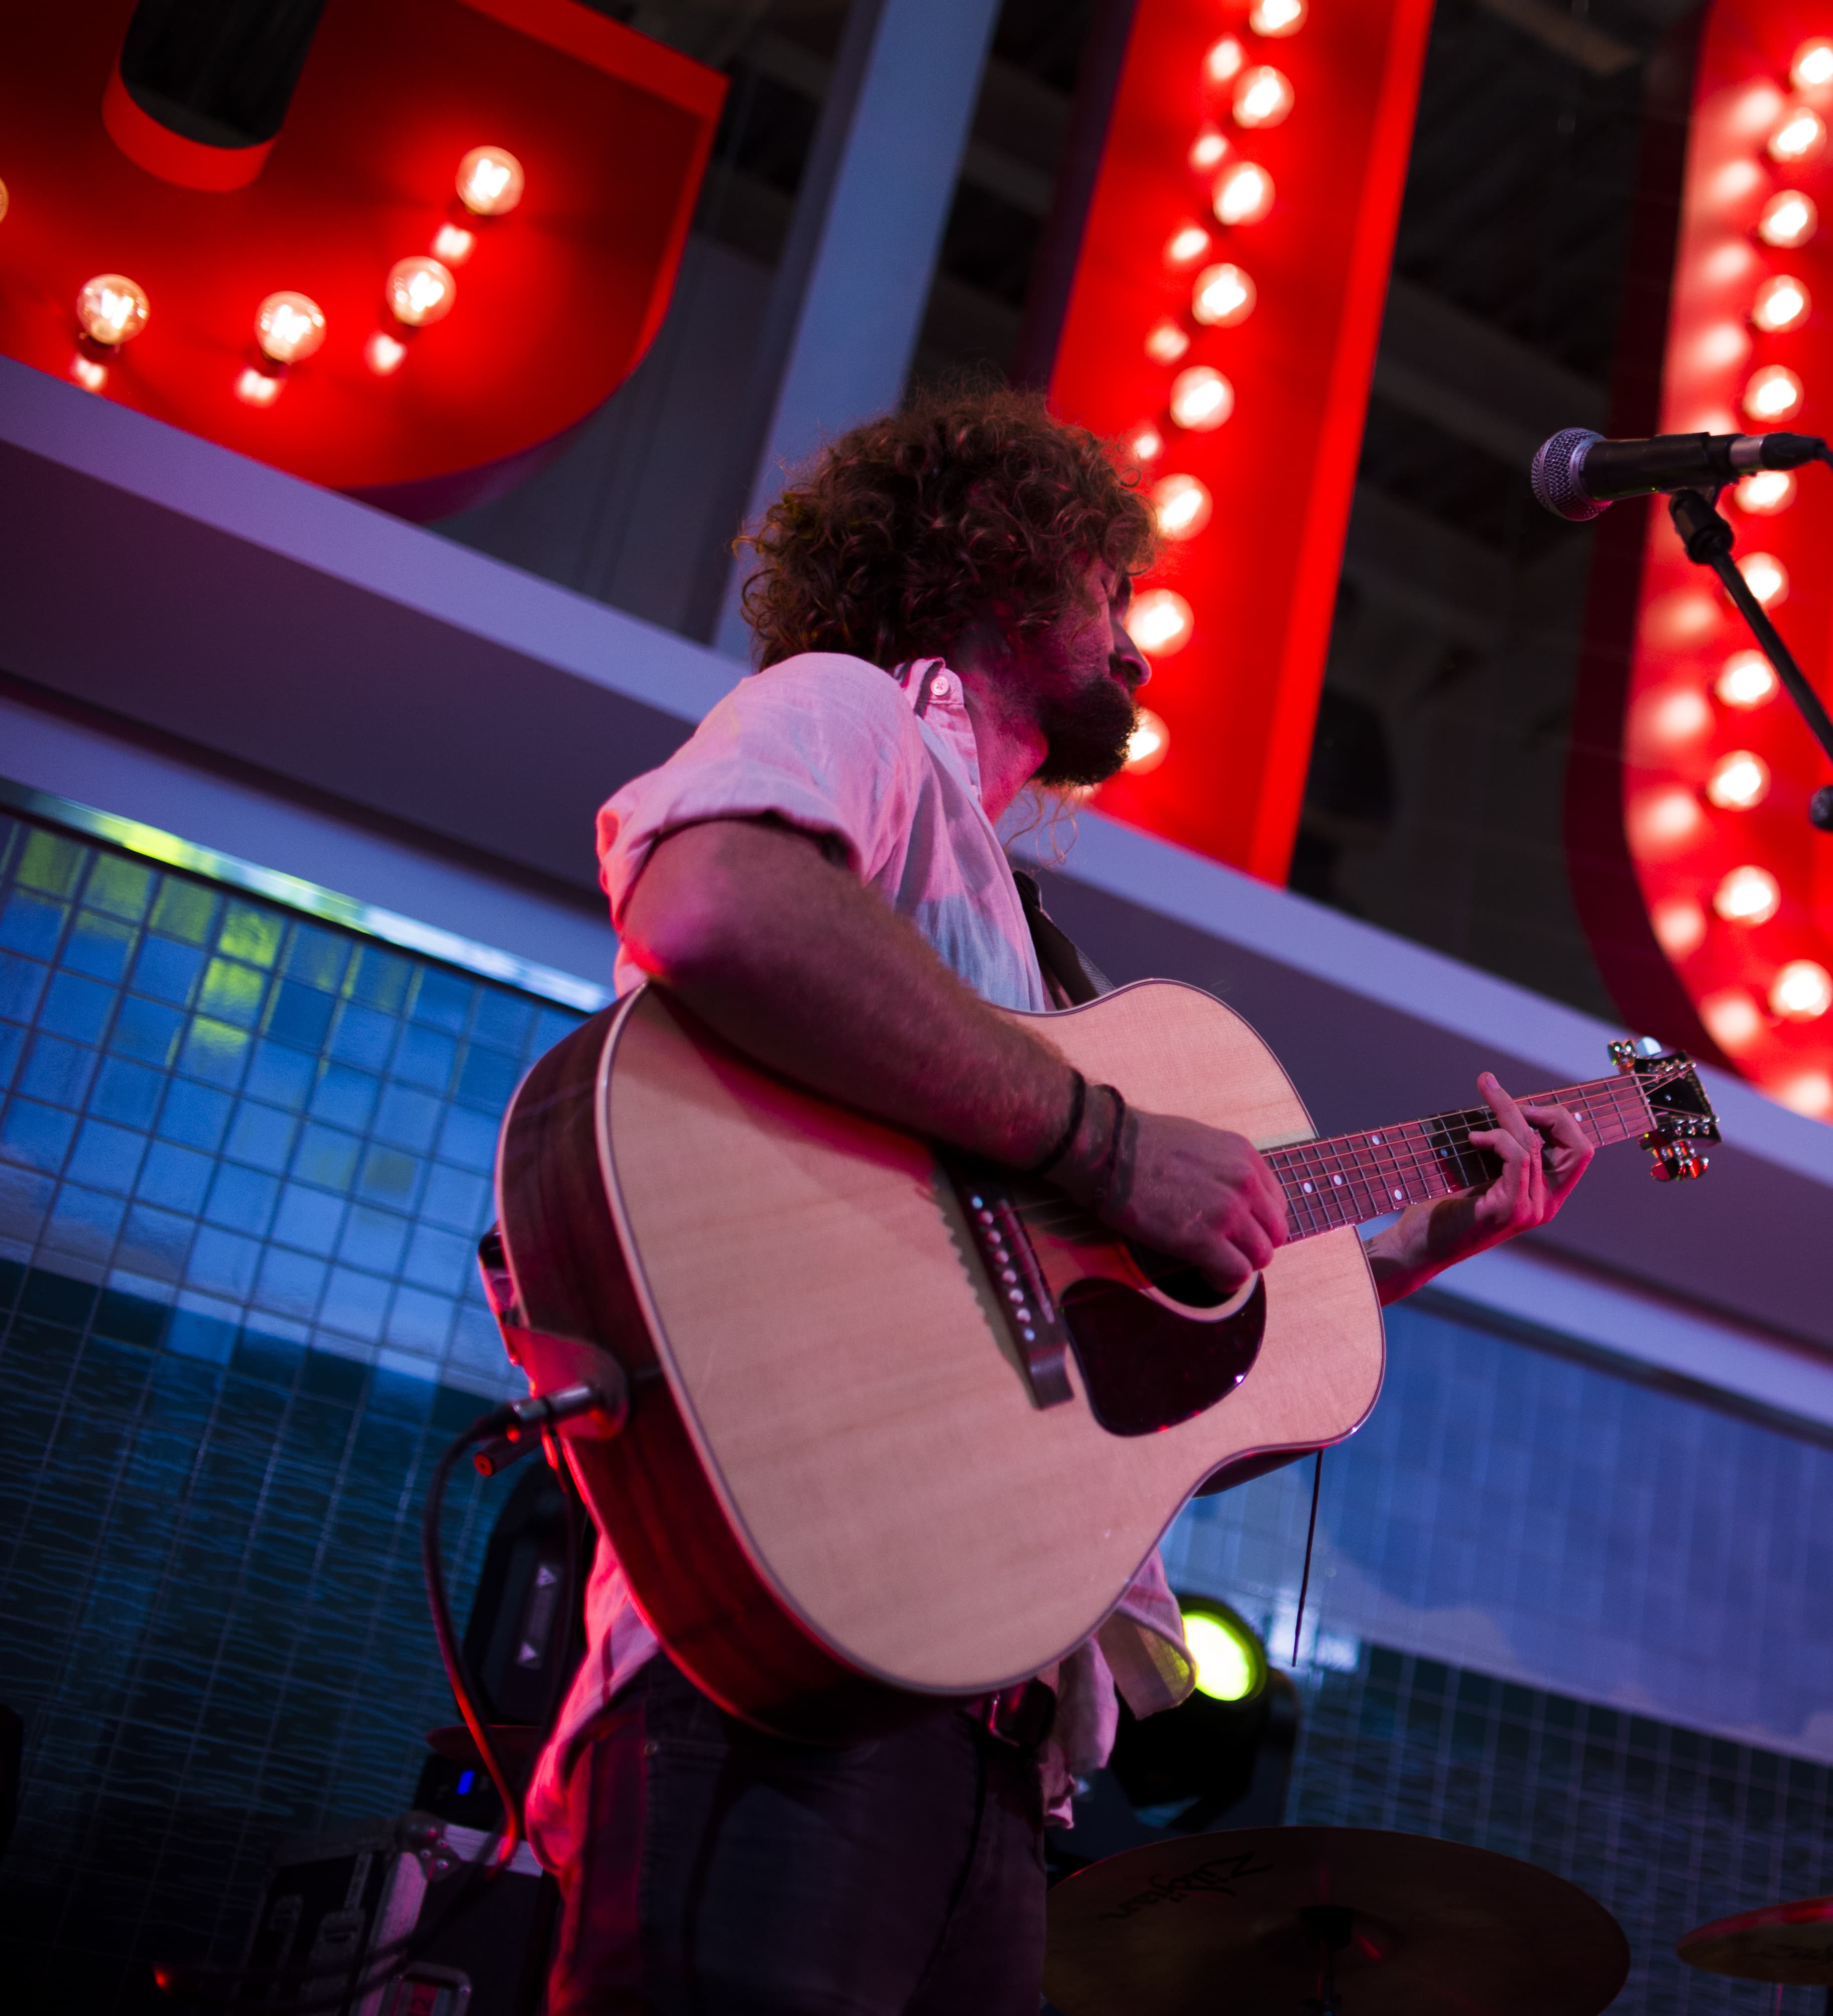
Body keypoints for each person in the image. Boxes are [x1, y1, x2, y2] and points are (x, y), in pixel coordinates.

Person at [530, 384, 1598, 2012]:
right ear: (997, 566)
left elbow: (1130, 1358)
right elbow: (717, 895)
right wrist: (1108, 1145)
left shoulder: (1030, 958)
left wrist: (1402, 1248)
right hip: (787, 1687)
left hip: (1003, 1748)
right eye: (1113, 590)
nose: (1139, 645)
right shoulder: (854, 712)